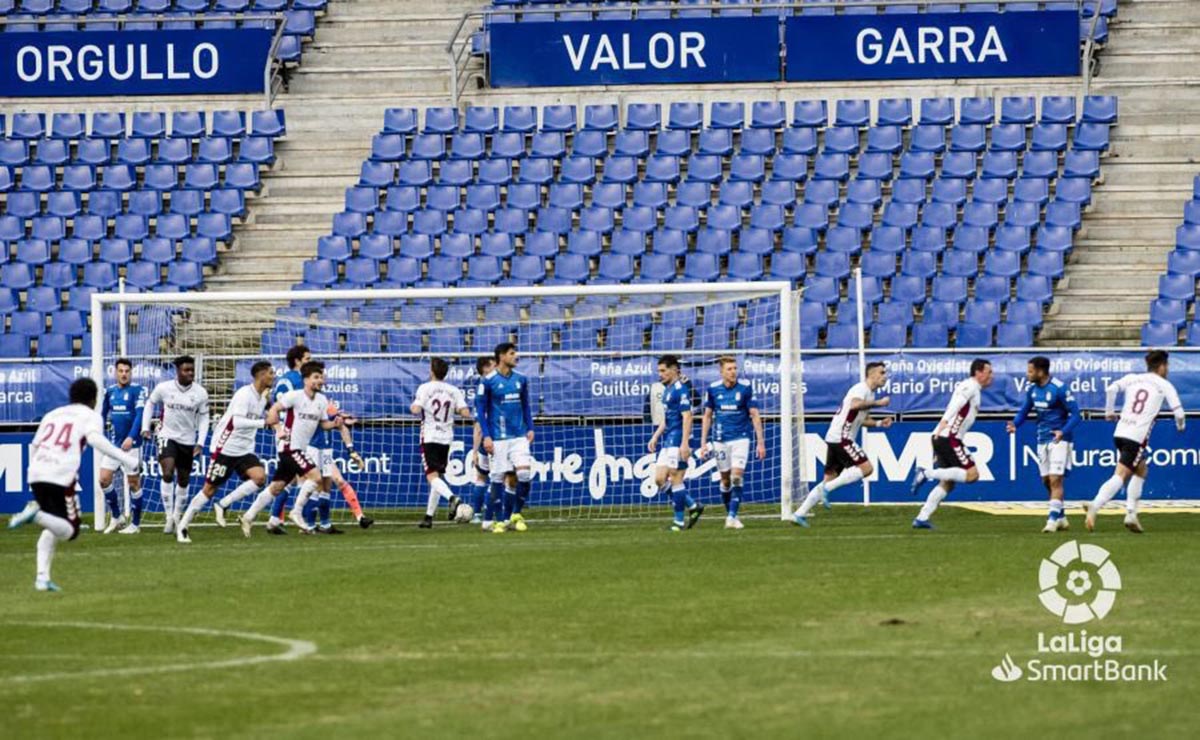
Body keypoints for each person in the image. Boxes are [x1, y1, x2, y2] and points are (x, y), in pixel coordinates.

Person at [8, 378, 140, 591]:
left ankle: (42, 577)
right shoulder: (90, 416)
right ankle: (35, 514)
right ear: (94, 399)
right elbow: (96, 441)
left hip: (37, 473)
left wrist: (33, 473)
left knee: (53, 524)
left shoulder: (53, 414)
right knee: (70, 530)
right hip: (60, 475)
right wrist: (127, 459)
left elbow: (34, 446)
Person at [240, 361, 344, 537]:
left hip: (299, 449)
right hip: (289, 446)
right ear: (305, 380)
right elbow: (273, 410)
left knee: (277, 487)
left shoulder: (322, 400)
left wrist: (335, 424)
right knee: (316, 477)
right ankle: (296, 511)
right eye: (316, 377)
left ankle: (248, 517)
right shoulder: (294, 396)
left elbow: (323, 424)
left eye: (321, 377)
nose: (320, 380)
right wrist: (279, 430)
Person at [1086, 350, 1185, 534]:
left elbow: (1111, 389)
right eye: (1167, 366)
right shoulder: (1164, 385)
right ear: (1162, 366)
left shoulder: (1133, 378)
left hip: (1120, 432)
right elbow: (1179, 413)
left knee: (1141, 468)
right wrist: (1180, 426)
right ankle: (1095, 505)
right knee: (1121, 475)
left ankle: (1131, 514)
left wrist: (1109, 411)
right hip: (1136, 436)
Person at [177, 361, 276, 544]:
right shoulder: (244, 394)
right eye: (271, 373)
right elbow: (237, 422)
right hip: (226, 447)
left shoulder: (263, 397)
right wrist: (264, 423)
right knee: (209, 489)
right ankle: (182, 527)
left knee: (260, 478)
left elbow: (272, 411)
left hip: (244, 449)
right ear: (261, 375)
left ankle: (223, 504)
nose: (273, 376)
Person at [792, 362, 893, 527]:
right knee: (866, 468)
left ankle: (799, 514)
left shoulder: (869, 394)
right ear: (872, 374)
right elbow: (855, 404)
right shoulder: (861, 389)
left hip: (835, 437)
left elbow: (861, 419)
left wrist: (880, 423)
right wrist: (878, 404)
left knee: (828, 480)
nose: (885, 376)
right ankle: (827, 490)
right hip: (842, 437)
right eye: (882, 373)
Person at [909, 359, 993, 529]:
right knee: (972, 475)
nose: (992, 376)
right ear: (978, 372)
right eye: (989, 372)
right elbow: (957, 403)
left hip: (943, 437)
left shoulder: (974, 388)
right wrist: (944, 421)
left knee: (948, 482)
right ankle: (926, 473)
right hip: (950, 437)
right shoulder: (970, 386)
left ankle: (922, 518)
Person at [1006, 356, 1082, 533]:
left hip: (1060, 439)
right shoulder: (1032, 389)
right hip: (1042, 438)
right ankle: (1061, 517)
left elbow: (1076, 414)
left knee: (1056, 478)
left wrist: (1063, 431)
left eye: (1030, 371)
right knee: (1046, 480)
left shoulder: (1059, 388)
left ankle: (1051, 521)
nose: (1027, 374)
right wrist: (1014, 424)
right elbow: (1024, 411)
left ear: (1041, 371)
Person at [141, 355, 209, 534]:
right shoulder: (164, 388)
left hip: (187, 440)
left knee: (184, 480)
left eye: (191, 370)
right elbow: (150, 403)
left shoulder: (200, 393)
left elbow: (204, 418)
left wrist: (200, 442)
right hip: (166, 436)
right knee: (168, 472)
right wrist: (145, 427)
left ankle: (177, 516)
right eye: (186, 370)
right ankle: (168, 517)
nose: (190, 373)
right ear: (177, 371)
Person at [698, 356, 766, 529]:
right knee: (725, 480)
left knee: (737, 477)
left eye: (735, 368)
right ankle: (731, 515)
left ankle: (731, 516)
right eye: (729, 369)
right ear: (721, 372)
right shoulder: (713, 389)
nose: (733, 371)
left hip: (741, 438)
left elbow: (755, 415)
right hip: (720, 440)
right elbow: (707, 416)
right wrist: (703, 442)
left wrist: (760, 442)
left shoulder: (745, 388)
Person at [479, 343, 534, 533]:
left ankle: (514, 514)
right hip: (499, 437)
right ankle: (491, 521)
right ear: (501, 357)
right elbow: (480, 411)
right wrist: (486, 436)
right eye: (512, 353)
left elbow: (526, 406)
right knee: (497, 477)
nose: (515, 356)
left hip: (519, 436)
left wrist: (530, 427)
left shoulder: (521, 379)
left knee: (524, 476)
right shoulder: (488, 381)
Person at [411, 357, 472, 528]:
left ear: (431, 371)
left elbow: (415, 408)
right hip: (446, 437)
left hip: (430, 436)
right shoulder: (454, 390)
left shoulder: (424, 388)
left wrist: (415, 407)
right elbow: (465, 411)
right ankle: (428, 517)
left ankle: (453, 499)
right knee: (438, 476)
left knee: (432, 477)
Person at [648, 355, 702, 531]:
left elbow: (687, 416)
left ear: (674, 370)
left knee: (676, 477)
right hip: (668, 438)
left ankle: (678, 523)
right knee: (659, 479)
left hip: (679, 439)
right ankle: (693, 506)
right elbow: (668, 418)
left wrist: (685, 443)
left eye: (663, 370)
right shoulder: (667, 390)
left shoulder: (681, 389)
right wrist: (655, 436)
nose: (660, 374)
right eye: (659, 371)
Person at [99, 358, 147, 534]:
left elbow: (139, 416)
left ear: (131, 372)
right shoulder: (109, 392)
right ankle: (117, 517)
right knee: (103, 479)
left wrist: (131, 437)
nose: (124, 374)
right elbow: (102, 415)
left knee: (133, 483)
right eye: (121, 371)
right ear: (115, 372)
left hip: (132, 445)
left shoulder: (138, 391)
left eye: (127, 371)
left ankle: (134, 524)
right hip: (114, 445)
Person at [468, 356, 496, 525]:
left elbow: (477, 425)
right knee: (497, 477)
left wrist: (475, 450)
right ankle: (489, 511)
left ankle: (477, 514)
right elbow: (479, 424)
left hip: (486, 441)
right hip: (497, 438)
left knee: (482, 477)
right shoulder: (491, 388)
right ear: (486, 369)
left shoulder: (481, 390)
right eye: (493, 365)